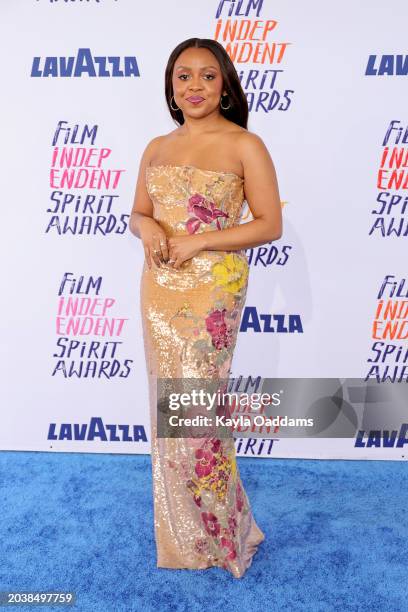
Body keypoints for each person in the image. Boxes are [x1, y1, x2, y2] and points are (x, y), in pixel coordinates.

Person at [129, 37, 282, 578]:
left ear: (225, 85)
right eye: (183, 76)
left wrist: (201, 241)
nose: (194, 86)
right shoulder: (156, 146)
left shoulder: (245, 144)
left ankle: (224, 531)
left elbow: (269, 224)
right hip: (160, 287)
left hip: (212, 290)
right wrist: (148, 227)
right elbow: (139, 213)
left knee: (198, 412)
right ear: (171, 87)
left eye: (207, 76)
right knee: (169, 413)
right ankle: (184, 535)